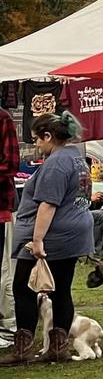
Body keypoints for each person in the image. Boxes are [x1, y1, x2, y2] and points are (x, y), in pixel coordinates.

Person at [0, 114, 93, 366]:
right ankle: (58, 348)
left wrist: (37, 240)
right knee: (62, 288)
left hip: (54, 234)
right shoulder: (76, 157)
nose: (36, 145)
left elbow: (48, 205)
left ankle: (22, 350)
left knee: (23, 287)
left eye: (37, 139)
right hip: (75, 231)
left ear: (48, 136)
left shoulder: (56, 164)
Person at [0, 105, 17, 349]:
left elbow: (10, 164)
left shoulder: (3, 118)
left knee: (3, 271)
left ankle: (8, 327)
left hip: (0, 207)